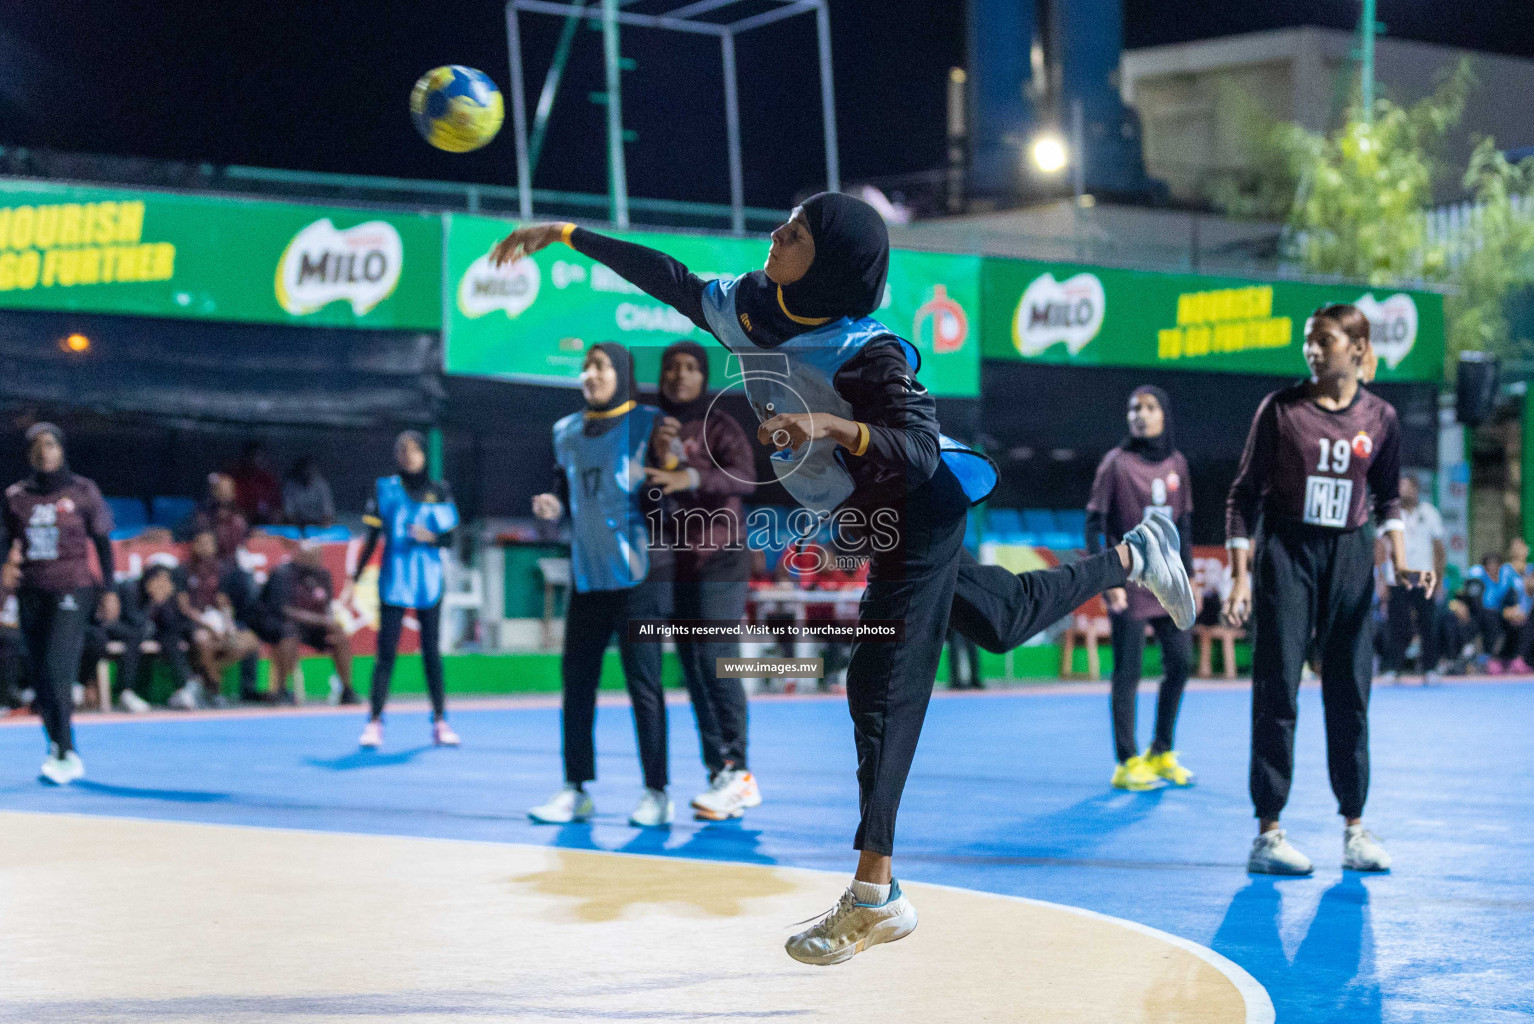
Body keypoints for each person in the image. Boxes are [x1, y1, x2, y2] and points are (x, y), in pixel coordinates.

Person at [490, 196, 1194, 965]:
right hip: (872, 513)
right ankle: (1136, 553)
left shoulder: (869, 352)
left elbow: (920, 451)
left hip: (920, 504)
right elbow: (669, 279)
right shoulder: (750, 305)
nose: (775, 234)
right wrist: (566, 235)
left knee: (879, 684)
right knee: (1000, 620)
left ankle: (874, 893)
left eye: (795, 233)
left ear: (829, 263)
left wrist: (832, 427)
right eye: (785, 224)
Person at [1224, 304, 1435, 877]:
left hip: (1349, 555)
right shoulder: (1281, 411)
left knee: (1350, 694)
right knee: (1278, 692)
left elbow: (1388, 499)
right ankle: (1268, 833)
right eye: (1307, 341)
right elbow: (1243, 497)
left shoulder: (1382, 417)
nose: (1312, 350)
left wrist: (1402, 564)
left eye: (1324, 340)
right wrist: (1242, 574)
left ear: (1358, 350)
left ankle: (1355, 828)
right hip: (1287, 553)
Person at [526, 343, 675, 829]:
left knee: (644, 686)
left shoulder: (651, 424)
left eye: (601, 366)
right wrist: (552, 504)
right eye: (586, 366)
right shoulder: (565, 433)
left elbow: (673, 502)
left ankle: (657, 791)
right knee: (577, 685)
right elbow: (565, 491)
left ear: (623, 372)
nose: (590, 374)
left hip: (639, 578)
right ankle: (576, 789)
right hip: (588, 576)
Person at [644, 339, 762, 821]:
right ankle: (720, 774)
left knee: (717, 658)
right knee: (693, 667)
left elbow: (746, 480)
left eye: (691, 367)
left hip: (722, 557)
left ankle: (741, 772)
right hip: (677, 564)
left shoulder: (721, 425)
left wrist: (689, 478)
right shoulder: (651, 428)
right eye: (672, 367)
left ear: (704, 376)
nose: (680, 375)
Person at [1086, 385, 1197, 790]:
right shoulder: (1115, 463)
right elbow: (1095, 524)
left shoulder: (1178, 464)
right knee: (1128, 672)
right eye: (1135, 408)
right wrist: (1108, 580)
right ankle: (1127, 761)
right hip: (1130, 581)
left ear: (1164, 415)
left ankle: (1161, 750)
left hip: (1167, 582)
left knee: (1181, 664)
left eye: (1150, 408)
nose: (1141, 414)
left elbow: (1183, 525)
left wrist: (1189, 578)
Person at [1, 423, 116, 784]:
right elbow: (4, 540)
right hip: (32, 589)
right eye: (36, 446)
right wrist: (5, 567)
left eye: (50, 444)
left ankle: (67, 750)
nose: (44, 451)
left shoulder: (83, 491)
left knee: (57, 668)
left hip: (73, 588)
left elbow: (102, 542)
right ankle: (56, 746)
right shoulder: (16, 496)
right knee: (39, 673)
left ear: (62, 449)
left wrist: (109, 589)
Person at [352, 430, 460, 749]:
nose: (408, 456)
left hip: (428, 584)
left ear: (425, 455)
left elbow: (451, 538)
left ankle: (440, 722)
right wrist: (355, 576)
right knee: (385, 653)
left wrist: (433, 537)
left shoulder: (440, 491)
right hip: (394, 581)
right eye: (402, 450)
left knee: (431, 654)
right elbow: (372, 537)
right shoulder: (384, 489)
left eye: (414, 450)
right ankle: (374, 722)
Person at [81, 565, 192, 713]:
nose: (165, 586)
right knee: (133, 637)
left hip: (140, 632)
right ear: (150, 580)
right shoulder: (130, 589)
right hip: (113, 627)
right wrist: (154, 603)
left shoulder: (164, 595)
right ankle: (125, 692)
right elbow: (135, 622)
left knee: (170, 638)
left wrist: (165, 605)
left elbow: (171, 623)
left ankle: (183, 688)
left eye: (168, 582)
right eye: (161, 581)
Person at [257, 542, 357, 704]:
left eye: (317, 556)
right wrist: (321, 620)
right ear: (298, 556)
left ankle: (347, 690)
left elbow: (327, 607)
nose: (315, 560)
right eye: (310, 557)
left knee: (339, 635)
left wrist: (330, 622)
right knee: (287, 636)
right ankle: (281, 690)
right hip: (282, 625)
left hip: (314, 628)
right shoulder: (282, 574)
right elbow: (283, 610)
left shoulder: (323, 575)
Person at [175, 528, 261, 709]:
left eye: (210, 544)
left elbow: (223, 603)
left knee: (250, 641)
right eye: (202, 543)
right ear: (194, 546)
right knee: (203, 640)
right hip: (193, 623)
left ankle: (201, 682)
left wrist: (228, 627)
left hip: (218, 623)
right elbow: (184, 606)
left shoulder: (222, 570)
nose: (206, 548)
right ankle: (214, 690)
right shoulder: (182, 570)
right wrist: (208, 625)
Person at [1378, 475, 1447, 683]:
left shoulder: (1430, 513)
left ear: (1416, 489)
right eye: (1399, 487)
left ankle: (1430, 668)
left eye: (1406, 487)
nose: (1402, 491)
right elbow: (1381, 549)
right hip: (1397, 576)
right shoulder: (1389, 514)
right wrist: (1381, 579)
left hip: (1425, 575)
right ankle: (1392, 668)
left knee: (1428, 624)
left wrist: (1439, 579)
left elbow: (1439, 550)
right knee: (1396, 624)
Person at [230, 441, 282, 525]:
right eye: (253, 456)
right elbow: (234, 506)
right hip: (244, 520)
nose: (256, 460)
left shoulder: (268, 479)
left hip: (266, 522)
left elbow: (277, 506)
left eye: (259, 456)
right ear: (247, 458)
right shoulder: (237, 479)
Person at [283, 457, 336, 534]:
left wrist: (321, 528)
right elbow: (289, 513)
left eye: (310, 469)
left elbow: (328, 512)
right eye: (304, 469)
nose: (307, 472)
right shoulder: (291, 486)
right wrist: (300, 528)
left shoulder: (322, 485)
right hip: (298, 527)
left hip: (319, 527)